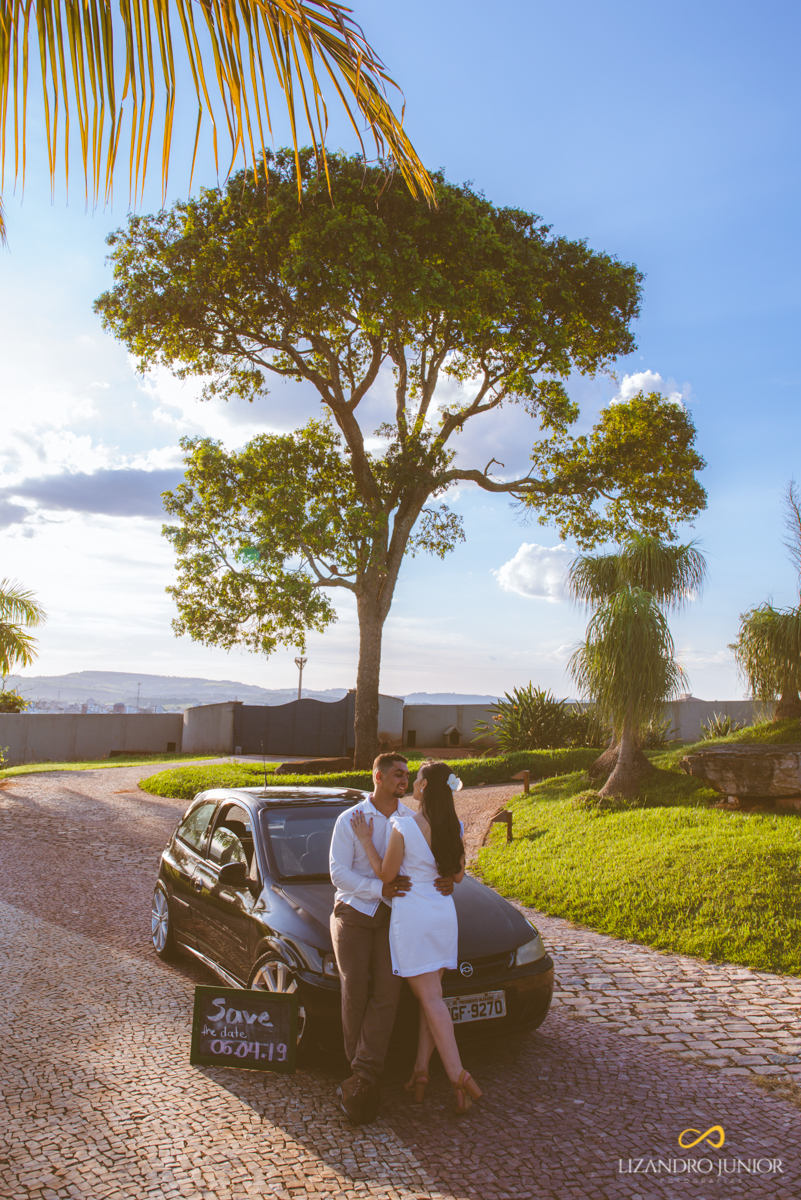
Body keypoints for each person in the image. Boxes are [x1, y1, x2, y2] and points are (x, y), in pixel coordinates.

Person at [329, 752, 458, 1125]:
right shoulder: (350, 819)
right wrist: (379, 890)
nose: (404, 780)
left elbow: (433, 858)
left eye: (407, 775)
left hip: (395, 920)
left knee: (386, 993)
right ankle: (362, 1076)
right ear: (378, 777)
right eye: (398, 774)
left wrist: (447, 879)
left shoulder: (411, 821)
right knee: (354, 989)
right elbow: (339, 874)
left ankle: (362, 1078)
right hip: (353, 914)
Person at [351, 760, 483, 1116]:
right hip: (442, 914)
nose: (412, 782)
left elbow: (385, 873)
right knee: (433, 997)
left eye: (417, 778)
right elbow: (456, 877)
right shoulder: (451, 825)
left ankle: (457, 1073)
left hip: (414, 918)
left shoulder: (405, 826)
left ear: (423, 788)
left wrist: (365, 840)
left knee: (430, 999)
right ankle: (421, 1073)